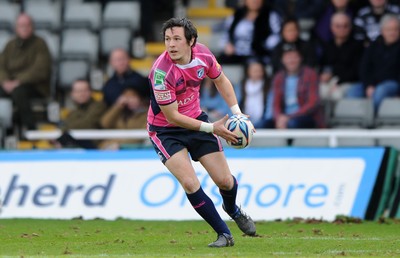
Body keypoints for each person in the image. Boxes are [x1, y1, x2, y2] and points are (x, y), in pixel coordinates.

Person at [147, 18, 256, 248]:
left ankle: (232, 208)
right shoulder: (160, 73)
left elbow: (221, 80)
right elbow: (173, 117)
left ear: (191, 41)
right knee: (190, 183)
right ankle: (224, 234)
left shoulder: (204, 55)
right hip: (166, 131)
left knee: (225, 181)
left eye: (177, 39)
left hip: (196, 120)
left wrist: (238, 114)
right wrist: (212, 128)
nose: (171, 45)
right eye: (167, 39)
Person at [0, 13, 51, 131]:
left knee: (19, 92)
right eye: (21, 25)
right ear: (16, 28)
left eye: (27, 25)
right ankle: (5, 129)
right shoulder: (10, 45)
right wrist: (5, 81)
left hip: (35, 87)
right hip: (10, 85)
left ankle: (30, 129)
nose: (24, 28)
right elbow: (1, 66)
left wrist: (18, 81)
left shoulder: (40, 44)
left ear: (32, 27)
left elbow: (40, 70)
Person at [347, 14, 400, 112]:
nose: (393, 33)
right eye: (389, 29)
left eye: (396, 29)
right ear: (382, 31)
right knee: (352, 92)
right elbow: (364, 67)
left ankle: (371, 120)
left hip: (393, 84)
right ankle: (355, 121)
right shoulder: (373, 46)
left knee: (381, 91)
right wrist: (368, 85)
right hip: (372, 83)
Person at [271, 43, 323, 129]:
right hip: (284, 118)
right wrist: (279, 118)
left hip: (305, 117)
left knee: (292, 123)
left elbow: (313, 103)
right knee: (263, 125)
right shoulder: (278, 77)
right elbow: (275, 103)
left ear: (300, 58)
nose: (291, 61)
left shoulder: (310, 74)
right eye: (288, 57)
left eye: (294, 57)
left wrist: (290, 117)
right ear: (282, 60)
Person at [319, 12, 364, 102]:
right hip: (329, 82)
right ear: (332, 27)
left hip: (348, 83)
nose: (342, 29)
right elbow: (322, 66)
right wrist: (323, 76)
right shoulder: (328, 46)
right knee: (318, 92)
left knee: (337, 94)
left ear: (350, 27)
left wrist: (337, 80)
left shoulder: (358, 46)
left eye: (345, 26)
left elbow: (357, 72)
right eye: (338, 26)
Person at [218, 0, 281, 64]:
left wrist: (264, 45)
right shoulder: (236, 15)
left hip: (261, 57)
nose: (254, 1)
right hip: (237, 56)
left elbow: (277, 36)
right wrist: (227, 46)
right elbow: (225, 35)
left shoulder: (271, 16)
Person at [56, 79, 107, 149]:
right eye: (78, 91)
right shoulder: (72, 113)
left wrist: (64, 129)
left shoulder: (99, 106)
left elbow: (87, 123)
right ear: (72, 94)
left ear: (91, 92)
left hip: (94, 146)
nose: (82, 94)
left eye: (85, 90)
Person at [99, 85, 149, 150]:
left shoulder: (147, 115)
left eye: (133, 96)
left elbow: (140, 137)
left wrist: (120, 145)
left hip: (131, 150)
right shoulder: (120, 112)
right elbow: (104, 123)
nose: (130, 100)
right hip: (112, 147)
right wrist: (118, 106)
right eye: (127, 97)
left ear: (140, 98)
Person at [237, 60, 270, 126]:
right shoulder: (242, 85)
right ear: (248, 72)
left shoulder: (268, 85)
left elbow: (270, 108)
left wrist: (266, 119)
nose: (257, 73)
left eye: (259, 71)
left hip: (263, 121)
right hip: (243, 120)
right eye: (254, 71)